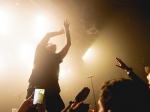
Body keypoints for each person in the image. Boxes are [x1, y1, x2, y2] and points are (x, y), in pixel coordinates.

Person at [26, 19, 71, 112]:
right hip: (41, 89)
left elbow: (68, 44)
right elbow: (48, 35)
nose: (54, 46)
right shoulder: (41, 50)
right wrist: (61, 31)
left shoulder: (54, 56)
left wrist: (66, 30)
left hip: (50, 90)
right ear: (47, 46)